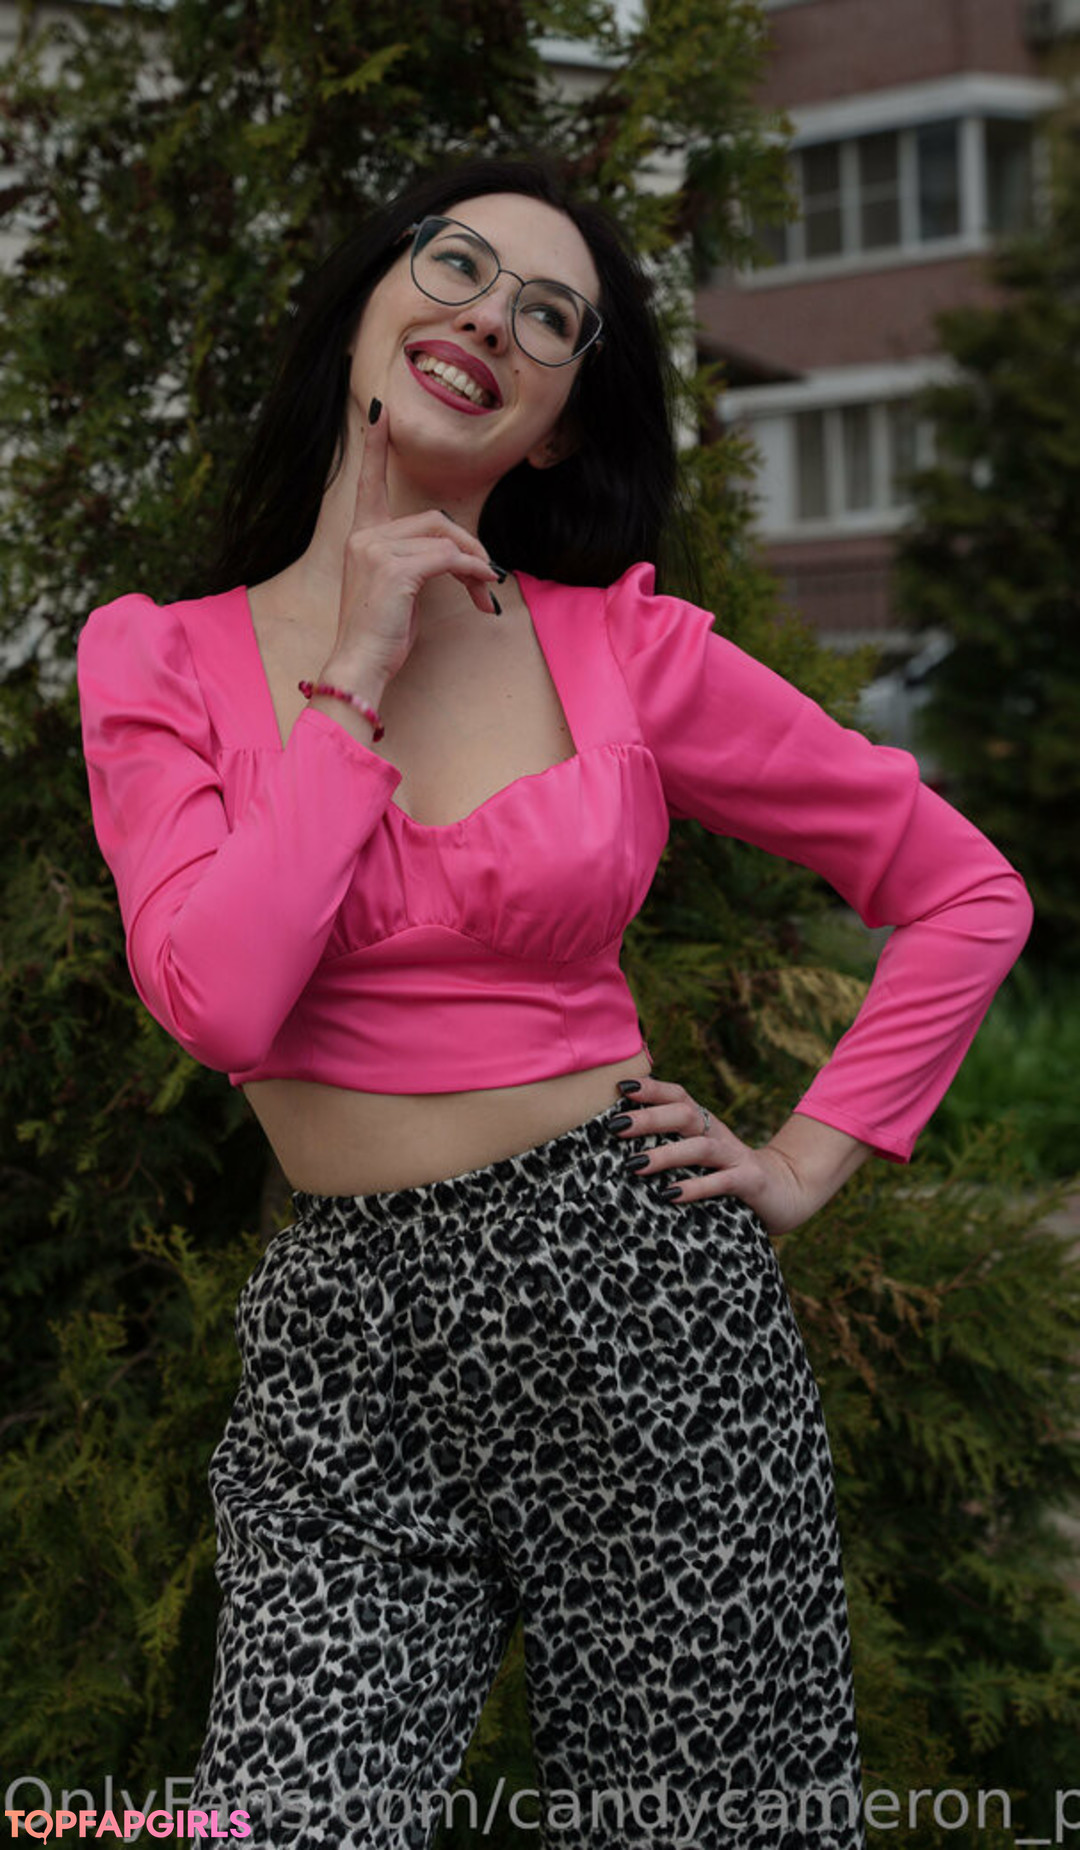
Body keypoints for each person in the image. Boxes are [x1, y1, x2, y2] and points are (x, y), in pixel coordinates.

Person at [76, 156, 1032, 1850]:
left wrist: (806, 1159)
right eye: (457, 265)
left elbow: (964, 891)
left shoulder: (625, 651)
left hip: (644, 1305)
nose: (489, 319)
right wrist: (353, 669)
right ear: (369, 302)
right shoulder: (159, 658)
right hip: (346, 1344)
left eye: (548, 317)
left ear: (559, 427)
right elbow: (221, 999)